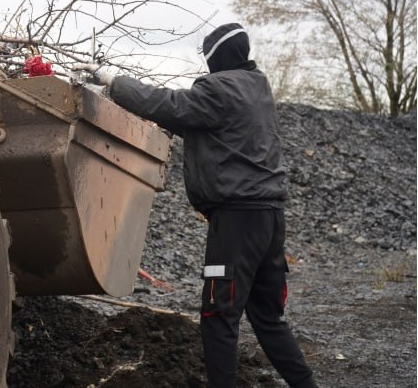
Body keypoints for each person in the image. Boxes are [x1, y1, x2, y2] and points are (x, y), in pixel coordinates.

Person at [74, 23, 316, 388]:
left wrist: (112, 82)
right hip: (270, 218)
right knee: (268, 318)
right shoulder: (257, 88)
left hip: (237, 223)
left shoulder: (218, 89)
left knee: (218, 314)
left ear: (215, 57)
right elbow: (210, 127)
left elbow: (168, 105)